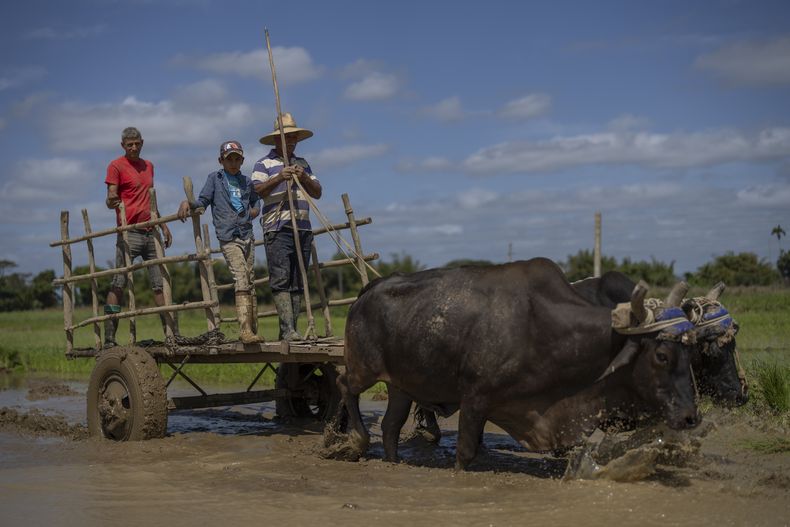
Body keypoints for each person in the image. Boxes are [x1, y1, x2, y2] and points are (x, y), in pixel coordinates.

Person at [178, 141, 262, 344]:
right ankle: (245, 331)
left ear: (242, 160)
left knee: (250, 280)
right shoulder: (215, 179)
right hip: (229, 235)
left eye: (237, 159)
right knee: (240, 277)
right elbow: (203, 201)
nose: (233, 163)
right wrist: (189, 203)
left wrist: (254, 211)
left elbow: (256, 201)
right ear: (221, 161)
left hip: (246, 234)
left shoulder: (246, 181)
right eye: (229, 159)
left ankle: (253, 328)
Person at [251, 113, 322, 341]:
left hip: (302, 227)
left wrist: (305, 178)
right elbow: (257, 191)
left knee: (298, 278)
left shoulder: (303, 164)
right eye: (287, 138)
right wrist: (280, 177)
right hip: (278, 227)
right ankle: (287, 329)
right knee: (282, 278)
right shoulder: (264, 164)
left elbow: (317, 192)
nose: (291, 142)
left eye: (293, 138)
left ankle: (294, 329)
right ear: (277, 141)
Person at [103, 126, 174, 348]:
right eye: (129, 144)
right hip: (129, 232)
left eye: (137, 143)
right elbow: (110, 197)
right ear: (123, 146)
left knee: (159, 283)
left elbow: (150, 200)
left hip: (150, 230)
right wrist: (112, 200)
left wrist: (163, 226)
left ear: (142, 143)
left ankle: (171, 334)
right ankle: (110, 337)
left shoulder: (148, 166)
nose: (133, 147)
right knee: (119, 282)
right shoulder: (116, 166)